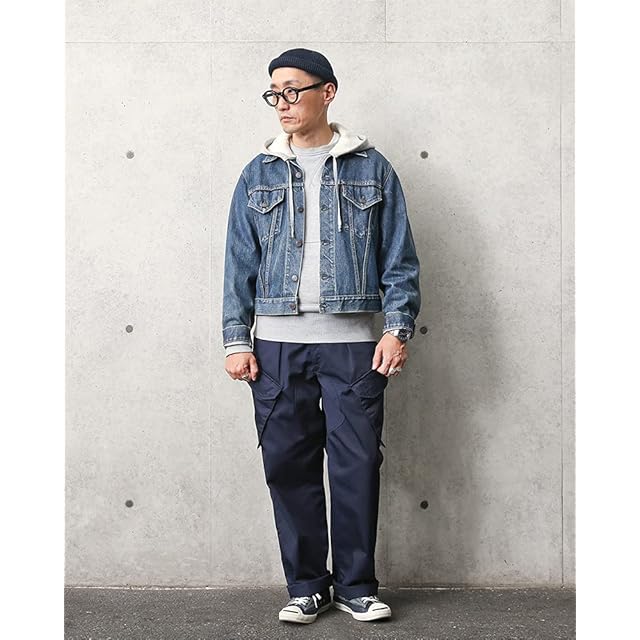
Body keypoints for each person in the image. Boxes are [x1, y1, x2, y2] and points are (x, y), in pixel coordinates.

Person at [222, 48, 421, 624]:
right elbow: (238, 263)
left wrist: (397, 328)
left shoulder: (371, 168)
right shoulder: (258, 172)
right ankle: (307, 586)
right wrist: (237, 340)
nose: (282, 103)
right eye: (274, 94)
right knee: (288, 466)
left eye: (293, 90)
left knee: (356, 466)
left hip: (354, 345)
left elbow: (399, 258)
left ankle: (357, 586)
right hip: (276, 347)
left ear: (326, 92)